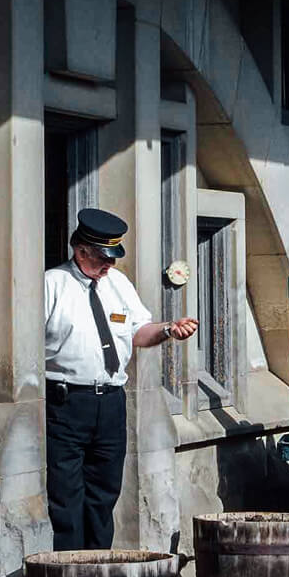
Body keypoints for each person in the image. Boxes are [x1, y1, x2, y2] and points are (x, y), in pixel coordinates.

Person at [44, 207, 198, 551]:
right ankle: (70, 573)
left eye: (113, 258)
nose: (109, 265)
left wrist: (169, 330)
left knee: (104, 492)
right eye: (102, 257)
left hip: (111, 401)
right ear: (81, 251)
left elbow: (138, 333)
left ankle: (100, 565)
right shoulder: (52, 284)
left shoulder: (117, 284)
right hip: (68, 401)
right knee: (66, 496)